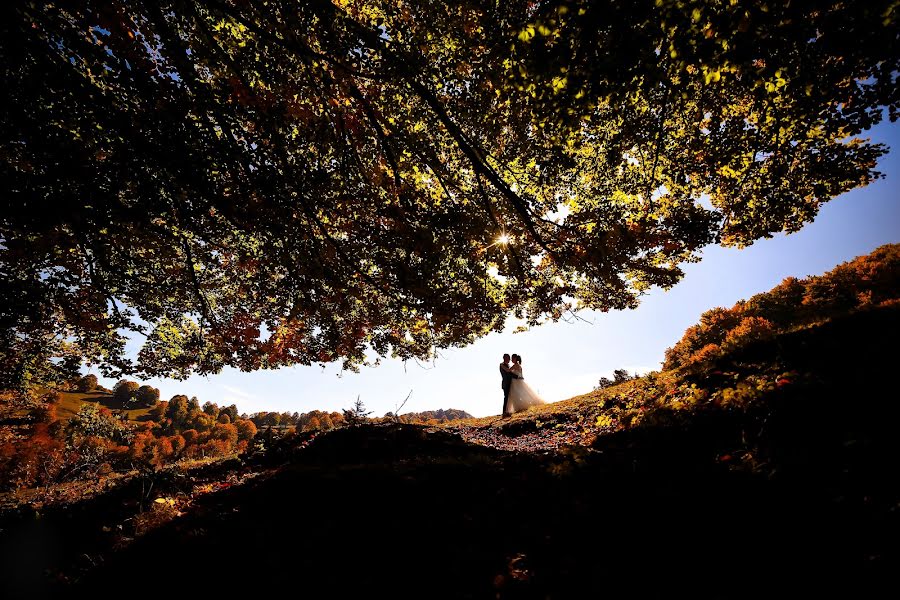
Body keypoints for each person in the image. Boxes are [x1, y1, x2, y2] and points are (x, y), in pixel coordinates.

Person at [499, 353, 519, 417]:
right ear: (505, 358)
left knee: (509, 397)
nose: (509, 359)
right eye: (508, 358)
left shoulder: (508, 365)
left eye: (510, 358)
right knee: (506, 397)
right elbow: (509, 373)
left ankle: (508, 410)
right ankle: (504, 411)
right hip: (505, 383)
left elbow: (510, 372)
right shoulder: (502, 365)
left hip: (510, 383)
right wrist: (517, 376)